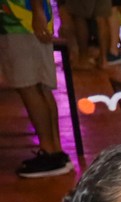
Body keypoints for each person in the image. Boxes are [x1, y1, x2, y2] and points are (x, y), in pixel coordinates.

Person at [2, 0, 71, 178]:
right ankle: (55, 151)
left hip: (21, 21)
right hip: (23, 19)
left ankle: (49, 152)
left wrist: (37, 12)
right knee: (40, 87)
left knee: (28, 85)